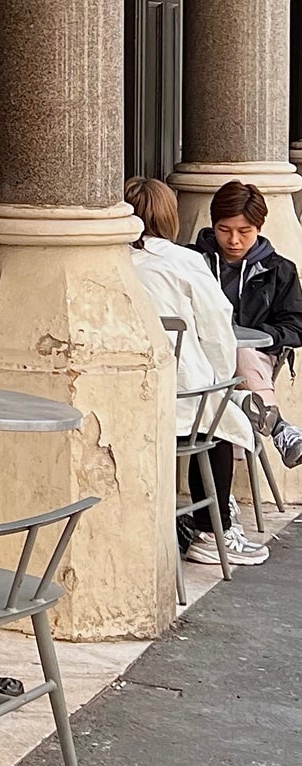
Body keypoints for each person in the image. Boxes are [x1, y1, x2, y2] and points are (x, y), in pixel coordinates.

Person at [125, 178, 264, 567]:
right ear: (171, 217)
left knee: (217, 407)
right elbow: (218, 328)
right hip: (180, 397)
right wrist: (222, 380)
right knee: (219, 417)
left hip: (127, 391)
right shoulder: (183, 261)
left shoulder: (109, 261)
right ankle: (211, 527)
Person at [192, 180, 302, 469]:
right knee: (224, 375)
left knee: (238, 354)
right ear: (213, 225)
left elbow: (296, 326)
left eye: (245, 232)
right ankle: (279, 428)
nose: (234, 241)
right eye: (224, 230)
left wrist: (258, 336)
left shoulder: (279, 270)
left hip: (254, 359)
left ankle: (221, 496)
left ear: (259, 227)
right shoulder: (192, 262)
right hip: (201, 358)